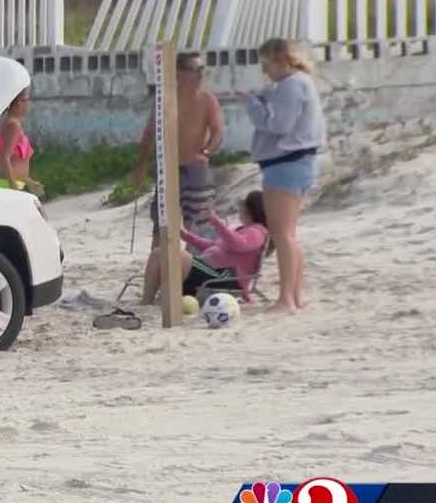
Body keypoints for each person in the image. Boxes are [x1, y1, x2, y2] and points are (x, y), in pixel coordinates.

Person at [238, 38, 325, 314]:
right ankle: (294, 296)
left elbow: (279, 125)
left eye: (266, 65)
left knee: (281, 233)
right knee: (288, 233)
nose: (265, 72)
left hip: (286, 163)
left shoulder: (292, 85)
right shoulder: (299, 83)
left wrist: (253, 104)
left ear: (280, 60)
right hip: (295, 163)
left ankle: (287, 298)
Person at [134, 52, 225, 246]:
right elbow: (149, 134)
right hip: (167, 170)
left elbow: (217, 131)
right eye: (195, 70)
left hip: (196, 170)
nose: (200, 75)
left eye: (202, 69)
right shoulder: (164, 100)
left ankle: (199, 271)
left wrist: (206, 152)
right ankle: (160, 270)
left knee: (201, 226)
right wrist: (141, 168)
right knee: (162, 225)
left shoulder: (207, 99)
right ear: (179, 73)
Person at [142, 191, 269, 305]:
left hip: (224, 278)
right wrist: (186, 236)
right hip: (210, 273)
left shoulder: (257, 232)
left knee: (173, 254)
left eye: (242, 207)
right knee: (158, 252)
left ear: (249, 210)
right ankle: (147, 300)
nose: (239, 210)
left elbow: (237, 244)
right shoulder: (245, 230)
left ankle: (167, 299)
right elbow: (213, 245)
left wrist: (215, 220)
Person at [0, 89, 44, 197]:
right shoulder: (13, 125)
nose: (29, 104)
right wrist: (14, 187)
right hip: (7, 186)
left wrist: (29, 182)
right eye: (27, 100)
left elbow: (16, 162)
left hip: (11, 185)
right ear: (19, 102)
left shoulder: (12, 123)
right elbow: (4, 158)